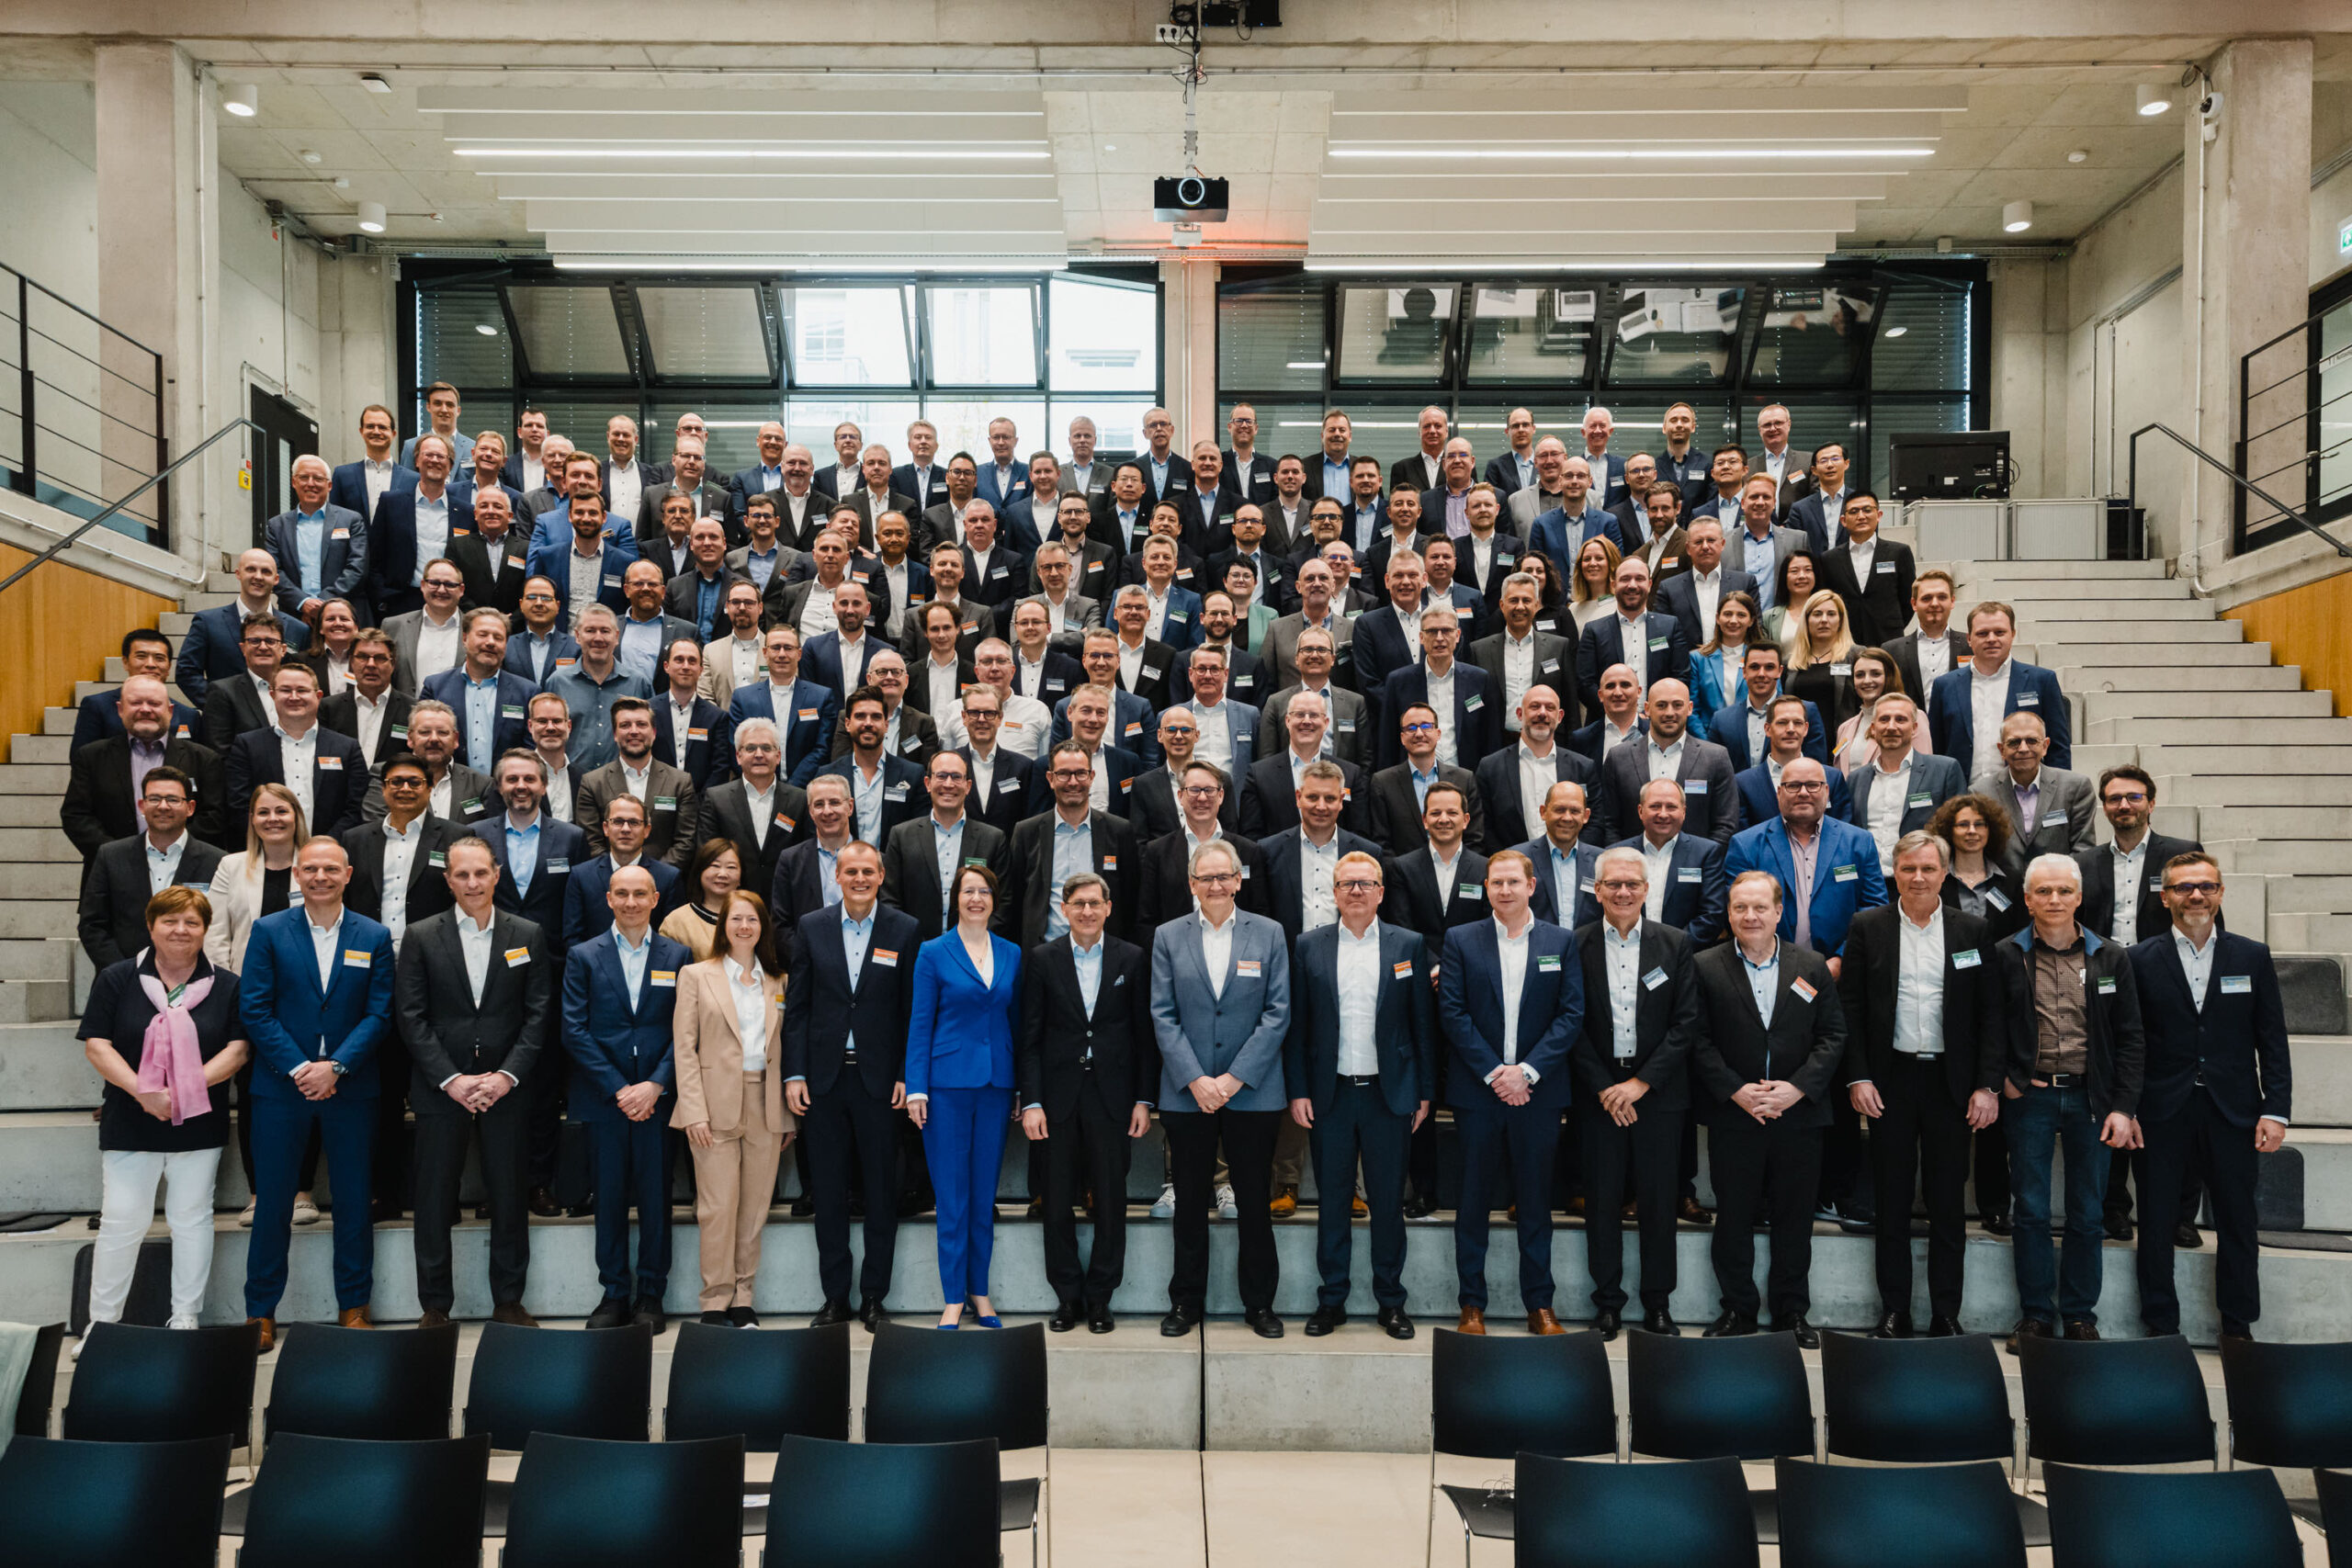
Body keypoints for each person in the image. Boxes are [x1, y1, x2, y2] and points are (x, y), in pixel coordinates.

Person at [1838, 832, 2002, 1338]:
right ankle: (1895, 1311)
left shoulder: (1972, 930)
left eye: (1928, 869)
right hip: (1890, 1080)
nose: (1918, 878)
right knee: (1891, 1201)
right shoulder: (1868, 926)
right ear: (1895, 872)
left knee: (1947, 1203)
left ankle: (1945, 1313)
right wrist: (1859, 1076)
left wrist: (1987, 1085)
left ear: (1944, 873)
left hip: (1951, 1085)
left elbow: (1991, 1013)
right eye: (1908, 869)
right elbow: (1851, 1009)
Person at [74, 886, 250, 1355]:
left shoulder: (228, 985)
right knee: (121, 1221)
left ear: (205, 929)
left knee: (191, 1219)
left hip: (198, 1120)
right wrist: (144, 1091)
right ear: (151, 926)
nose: (180, 930)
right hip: (131, 1117)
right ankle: (102, 1325)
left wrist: (185, 1089)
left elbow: (237, 1050)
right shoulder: (117, 978)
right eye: (170, 921)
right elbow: (97, 1045)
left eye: (192, 922)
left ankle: (185, 1316)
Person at [238, 836, 395, 1349]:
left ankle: (354, 1307)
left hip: (351, 1089)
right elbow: (255, 1008)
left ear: (348, 874)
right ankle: (261, 1313)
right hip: (281, 1089)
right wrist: (302, 1067)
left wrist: (337, 1067)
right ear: (297, 875)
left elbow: (379, 1014)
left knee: (353, 1201)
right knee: (273, 1204)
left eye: (331, 869)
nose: (320, 877)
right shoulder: (268, 931)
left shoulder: (374, 935)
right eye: (311, 869)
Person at [2130, 854, 2290, 1343]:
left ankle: (2238, 1327)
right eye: (2183, 888)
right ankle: (2161, 1327)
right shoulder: (2139, 959)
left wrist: (2276, 1110)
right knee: (2156, 1220)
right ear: (2165, 897)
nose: (2195, 895)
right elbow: (2130, 1042)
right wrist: (2127, 1107)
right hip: (2161, 1110)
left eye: (2206, 886)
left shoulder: (2252, 956)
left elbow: (2272, 1039)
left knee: (2238, 1220)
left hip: (2233, 1110)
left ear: (2220, 893)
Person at [395, 834, 549, 1329]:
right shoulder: (421, 935)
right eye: (462, 874)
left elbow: (538, 1014)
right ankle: (434, 1306)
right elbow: (411, 1016)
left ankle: (509, 1300)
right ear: (448, 880)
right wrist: (450, 1079)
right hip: (442, 1088)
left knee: (509, 1195)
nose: (473, 882)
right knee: (433, 1199)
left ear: (496, 875)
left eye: (481, 872)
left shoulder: (528, 934)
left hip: (507, 1087)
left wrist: (506, 1076)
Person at [1992, 854, 2144, 1350]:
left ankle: (2079, 1316)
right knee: (2031, 1209)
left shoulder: (2111, 957)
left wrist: (2123, 1106)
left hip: (2092, 1100)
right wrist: (2006, 1080)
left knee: (2087, 1211)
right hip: (2030, 1098)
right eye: (2043, 891)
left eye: (2063, 891)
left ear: (2079, 897)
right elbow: (1989, 1025)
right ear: (2027, 899)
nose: (2054, 899)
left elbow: (2131, 1037)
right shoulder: (2006, 954)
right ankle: (2036, 1315)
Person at [1691, 870, 1847, 1346]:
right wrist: (1736, 1091)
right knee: (1733, 1217)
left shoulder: (1812, 965)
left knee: (1794, 1219)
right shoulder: (1704, 965)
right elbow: (1696, 1039)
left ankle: (1791, 1313)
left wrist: (1796, 1089)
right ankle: (1737, 1310)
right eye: (1740, 907)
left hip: (1798, 1115)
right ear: (1729, 912)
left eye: (1760, 907)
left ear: (1779, 912)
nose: (1750, 916)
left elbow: (1833, 1035)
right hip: (1734, 1115)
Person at [1285, 852, 1432, 1340]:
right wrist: (1298, 1090)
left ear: (1381, 892)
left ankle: (1391, 1302)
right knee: (1332, 1203)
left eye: (1365, 883)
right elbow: (1298, 1027)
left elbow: (1422, 1025)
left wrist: (1424, 1092)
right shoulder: (1309, 946)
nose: (1355, 891)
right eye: (1346, 883)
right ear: (1333, 892)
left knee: (1388, 1204)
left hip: (1389, 1096)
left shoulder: (1408, 944)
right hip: (1330, 1095)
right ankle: (1332, 1300)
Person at [1152, 839, 1293, 1339]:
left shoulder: (1270, 933)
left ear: (1238, 880)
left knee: (1254, 1201)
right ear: (1192, 884)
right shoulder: (1168, 936)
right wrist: (1196, 1079)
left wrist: (1233, 1078)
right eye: (1205, 877)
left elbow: (1278, 1013)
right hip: (1187, 1093)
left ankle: (1260, 1305)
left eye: (1223, 876)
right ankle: (1186, 1303)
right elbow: (1162, 1014)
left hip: (1252, 1092)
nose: (1215, 884)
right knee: (1190, 1202)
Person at [1438, 850, 1581, 1336]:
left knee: (1535, 1201)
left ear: (1531, 886)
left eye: (1513, 882)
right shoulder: (1461, 939)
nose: (1504, 890)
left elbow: (1570, 1014)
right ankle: (1471, 1304)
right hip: (1478, 1092)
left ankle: (1539, 1304)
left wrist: (1528, 1073)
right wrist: (1496, 1073)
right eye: (1495, 882)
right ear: (1486, 888)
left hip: (1539, 1093)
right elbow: (1453, 1012)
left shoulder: (1560, 941)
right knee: (1473, 1199)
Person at [785, 841, 920, 1331]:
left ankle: (874, 1298)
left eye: (868, 871)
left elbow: (912, 1010)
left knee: (882, 1192)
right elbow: (798, 1007)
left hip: (880, 1083)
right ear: (836, 877)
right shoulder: (811, 926)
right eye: (851, 871)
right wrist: (794, 1073)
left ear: (881, 876)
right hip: (823, 1081)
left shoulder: (905, 929)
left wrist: (906, 1073)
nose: (860, 879)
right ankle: (835, 1297)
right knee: (828, 1192)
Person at [1571, 846, 1702, 1339]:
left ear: (1647, 889)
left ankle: (1658, 1304)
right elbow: (1570, 1022)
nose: (1623, 892)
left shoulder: (1676, 943)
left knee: (1658, 1203)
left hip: (1658, 1094)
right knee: (1602, 1202)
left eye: (1632, 884)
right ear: (1597, 890)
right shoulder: (1575, 944)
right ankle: (1607, 1303)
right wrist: (1606, 1087)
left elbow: (1686, 1023)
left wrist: (1640, 1084)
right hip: (1598, 1094)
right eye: (1613, 884)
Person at [1020, 872, 1155, 1333]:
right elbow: (1030, 1037)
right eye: (1078, 903)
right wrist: (1031, 1101)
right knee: (1056, 1202)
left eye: (1095, 903)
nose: (1087, 911)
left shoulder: (1131, 958)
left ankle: (1100, 1298)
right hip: (1057, 1099)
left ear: (1108, 908)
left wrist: (1143, 1099)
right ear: (1064, 909)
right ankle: (1067, 1297)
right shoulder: (1042, 959)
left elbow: (1143, 1035)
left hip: (1113, 1098)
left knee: (1111, 1202)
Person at [562, 863, 688, 1332]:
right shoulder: (583, 956)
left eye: (640, 894)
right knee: (609, 1198)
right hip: (605, 1098)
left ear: (656, 899)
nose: (631, 902)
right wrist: (620, 1088)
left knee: (656, 1199)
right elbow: (573, 1029)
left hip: (658, 1097)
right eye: (622, 894)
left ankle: (651, 1294)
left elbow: (687, 1028)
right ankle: (614, 1293)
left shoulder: (679, 955)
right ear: (608, 899)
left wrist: (655, 1084)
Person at [905, 865, 1023, 1329]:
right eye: (968, 891)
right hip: (946, 1086)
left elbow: (1016, 1022)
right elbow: (920, 1023)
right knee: (952, 1198)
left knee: (982, 1195)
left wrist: (1020, 1087)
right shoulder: (934, 952)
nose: (977, 898)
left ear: (994, 899)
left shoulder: (1011, 952)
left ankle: (981, 1292)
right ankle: (953, 1297)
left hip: (996, 1085)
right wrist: (916, 1087)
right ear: (955, 898)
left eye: (984, 891)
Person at [671, 887, 795, 1327]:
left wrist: (787, 1115)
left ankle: (743, 1297)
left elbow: (785, 1049)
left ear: (763, 928)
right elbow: (684, 1048)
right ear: (723, 925)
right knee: (717, 1209)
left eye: (752, 919)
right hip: (713, 1104)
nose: (744, 926)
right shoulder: (696, 976)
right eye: (736, 918)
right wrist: (694, 1110)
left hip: (766, 1103)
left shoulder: (778, 981)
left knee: (754, 1209)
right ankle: (714, 1300)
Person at [202, 784, 320, 1226]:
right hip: (247, 998)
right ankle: (260, 1194)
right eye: (263, 812)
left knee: (306, 1089)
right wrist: (233, 990)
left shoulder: (314, 861)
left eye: (282, 811)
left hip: (308, 997)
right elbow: (216, 933)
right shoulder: (232, 866)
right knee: (254, 1096)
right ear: (252, 819)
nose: (273, 819)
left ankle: (302, 1192)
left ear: (296, 816)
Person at [77, 765, 224, 972]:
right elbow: (92, 925)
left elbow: (220, 929)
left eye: (173, 799)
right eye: (154, 799)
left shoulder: (218, 862)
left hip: (195, 979)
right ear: (142, 805)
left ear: (190, 808)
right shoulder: (110, 856)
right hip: (122, 981)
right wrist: (125, 973)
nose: (163, 806)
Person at [1928, 600, 2073, 775]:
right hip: (1962, 789)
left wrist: (2058, 788)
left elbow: (2058, 748)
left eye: (1999, 632)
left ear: (2012, 634)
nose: (1991, 639)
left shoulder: (2042, 681)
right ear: (1969, 639)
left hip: (2022, 788)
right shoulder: (1944, 686)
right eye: (1982, 633)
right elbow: (1936, 750)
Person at [223, 662, 368, 838]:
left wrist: (325, 845)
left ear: (318, 696)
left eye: (302, 690)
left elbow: (355, 808)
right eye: (285, 690)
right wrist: (272, 843)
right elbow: (239, 806)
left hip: (330, 849)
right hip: (266, 849)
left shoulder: (347, 748)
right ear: (272, 695)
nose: (294, 697)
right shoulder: (247, 745)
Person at [882, 750, 1010, 942]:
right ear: (928, 783)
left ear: (968, 786)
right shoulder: (901, 836)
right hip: (915, 948)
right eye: (941, 776)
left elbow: (1003, 904)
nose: (949, 784)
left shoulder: (993, 839)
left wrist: (971, 943)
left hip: (972, 949)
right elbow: (890, 900)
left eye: (956, 777)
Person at [1596, 678, 1738, 848]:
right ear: (1647, 709)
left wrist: (1703, 858)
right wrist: (1624, 859)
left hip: (1696, 862)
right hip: (1633, 862)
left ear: (1690, 708)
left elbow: (1725, 824)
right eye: (1661, 705)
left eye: (1677, 705)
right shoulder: (1618, 757)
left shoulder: (1716, 758)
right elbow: (1609, 823)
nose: (1669, 713)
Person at [1844, 694, 1968, 874]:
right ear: (1873, 728)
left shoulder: (1944, 770)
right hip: (1870, 881)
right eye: (1884, 719)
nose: (1891, 726)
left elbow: (1959, 829)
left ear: (1915, 728)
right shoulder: (1856, 779)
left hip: (1922, 880)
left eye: (1900, 719)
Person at [1971, 711, 2095, 874]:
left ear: (2045, 746)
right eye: (2014, 742)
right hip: (2002, 886)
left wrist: (2050, 884)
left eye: (2031, 741)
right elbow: (1979, 853)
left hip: (2058, 883)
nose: (2023, 749)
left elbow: (2083, 850)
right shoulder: (1980, 793)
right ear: (2002, 750)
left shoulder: (2076, 787)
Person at [1819, 491, 1914, 647]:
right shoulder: (1829, 559)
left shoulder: (1899, 553)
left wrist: (1890, 626)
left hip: (1888, 640)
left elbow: (1908, 600)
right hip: (1844, 643)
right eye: (1854, 511)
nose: (1861, 516)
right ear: (1843, 520)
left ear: (1879, 515)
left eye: (1867, 510)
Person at [1880, 568, 1970, 705]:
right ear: (1914, 604)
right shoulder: (1891, 651)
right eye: (1927, 598)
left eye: (1942, 597)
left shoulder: (1971, 645)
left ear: (1952, 601)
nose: (1934, 603)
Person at [1832, 651, 1924, 773]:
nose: (1867, 680)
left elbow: (1922, 771)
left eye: (1876, 674)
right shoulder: (1845, 728)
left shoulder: (1913, 717)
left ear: (1889, 677)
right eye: (1859, 675)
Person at [660, 837, 746, 963]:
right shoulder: (677, 921)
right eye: (715, 866)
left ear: (741, 877)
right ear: (700, 871)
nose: (722, 874)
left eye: (731, 867)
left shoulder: (753, 917)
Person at [1567, 536, 1621, 632]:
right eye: (1587, 559)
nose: (1592, 563)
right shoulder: (1573, 609)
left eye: (1599, 558)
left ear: (1611, 563)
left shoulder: (1622, 605)